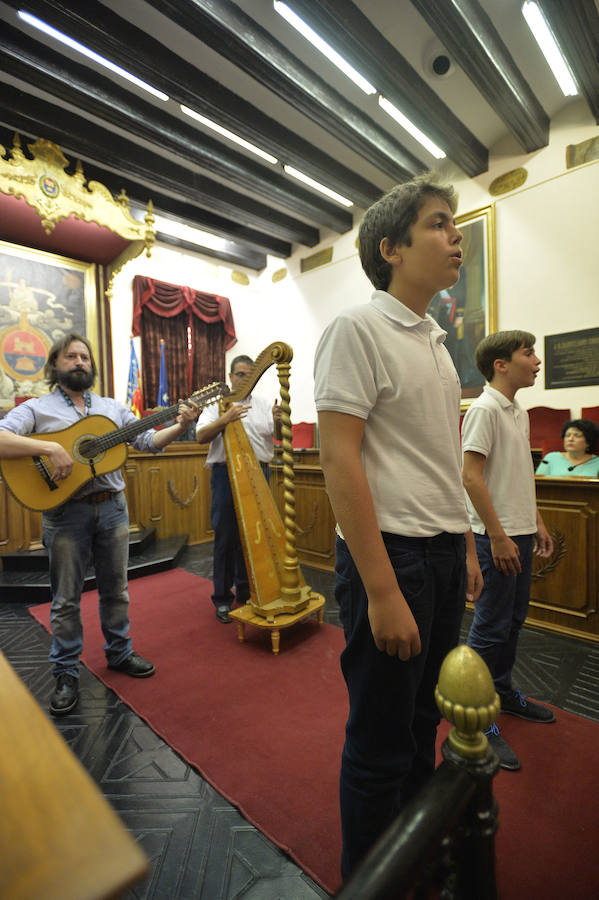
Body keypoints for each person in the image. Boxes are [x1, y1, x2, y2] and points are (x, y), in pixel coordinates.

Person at [313, 174, 483, 879]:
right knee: (379, 740)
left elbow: (439, 457)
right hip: (393, 561)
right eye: (439, 223)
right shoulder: (357, 328)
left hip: (440, 554)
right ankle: (367, 878)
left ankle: (413, 857)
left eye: (455, 224)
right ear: (390, 247)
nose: (456, 236)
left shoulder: (438, 345)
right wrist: (381, 590)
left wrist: (465, 542)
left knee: (423, 725)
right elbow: (338, 459)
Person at [0, 332, 200, 716]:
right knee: (65, 600)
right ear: (55, 366)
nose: (79, 362)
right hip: (64, 514)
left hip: (113, 509)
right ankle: (65, 673)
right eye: (71, 356)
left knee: (117, 590)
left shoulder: (112, 408)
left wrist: (180, 424)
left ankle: (119, 653)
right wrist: (49, 446)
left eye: (85, 357)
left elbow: (147, 441)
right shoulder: (38, 409)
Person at [462, 330, 555, 772]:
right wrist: (498, 536)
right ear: (501, 364)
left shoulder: (516, 410)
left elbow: (520, 476)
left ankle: (500, 692)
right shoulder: (484, 409)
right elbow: (470, 477)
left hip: (516, 531)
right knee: (491, 626)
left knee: (513, 621)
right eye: (528, 353)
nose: (536, 360)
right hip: (493, 535)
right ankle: (476, 716)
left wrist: (535, 523)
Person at [196, 354, 282, 623]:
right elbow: (200, 436)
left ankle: (246, 591)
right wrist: (226, 418)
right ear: (231, 377)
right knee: (225, 537)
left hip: (259, 473)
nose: (244, 379)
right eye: (240, 374)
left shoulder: (265, 404)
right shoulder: (216, 406)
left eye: (249, 375)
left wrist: (278, 420)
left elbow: (276, 436)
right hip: (225, 475)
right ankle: (222, 598)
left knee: (253, 536)